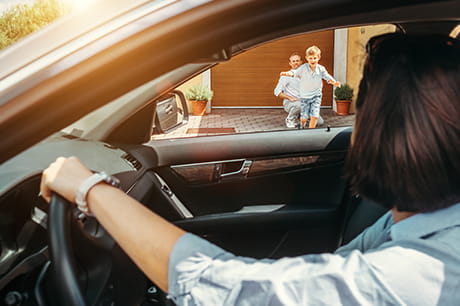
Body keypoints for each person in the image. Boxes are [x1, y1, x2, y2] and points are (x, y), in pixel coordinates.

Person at [41, 33, 460, 305]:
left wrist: (92, 188)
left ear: (378, 130)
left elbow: (233, 290)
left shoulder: (419, 275)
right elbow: (331, 269)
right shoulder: (410, 222)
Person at [281, 45, 340, 128]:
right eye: (310, 58)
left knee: (315, 116)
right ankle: (301, 125)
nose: (313, 60)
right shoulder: (303, 68)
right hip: (305, 97)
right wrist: (287, 74)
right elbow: (295, 73)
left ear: (319, 57)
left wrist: (334, 82)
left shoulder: (321, 69)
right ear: (307, 58)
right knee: (304, 117)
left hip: (316, 96)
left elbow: (327, 76)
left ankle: (311, 130)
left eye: (314, 58)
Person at [274, 52, 324, 128]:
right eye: (293, 61)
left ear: (301, 62)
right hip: (291, 103)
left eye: (297, 61)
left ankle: (302, 118)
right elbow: (277, 91)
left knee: (320, 122)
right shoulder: (286, 76)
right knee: (300, 105)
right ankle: (290, 119)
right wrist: (289, 97)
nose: (296, 63)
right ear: (290, 63)